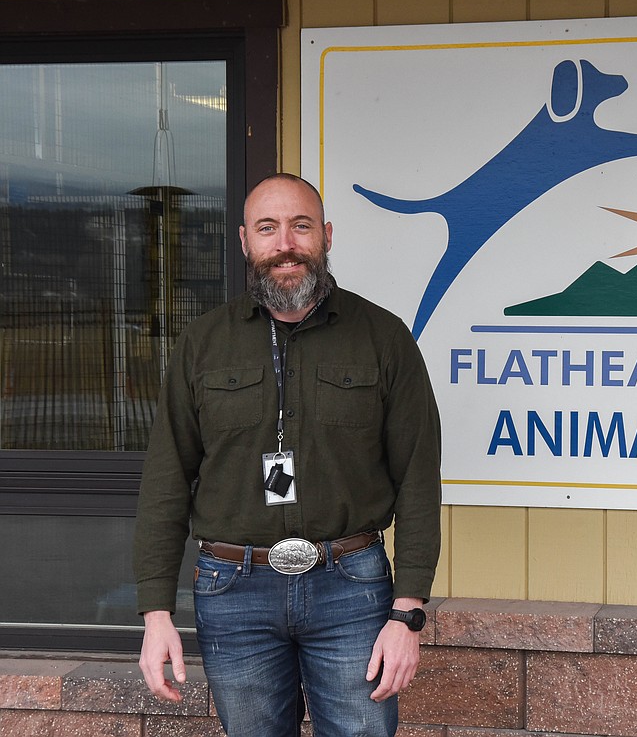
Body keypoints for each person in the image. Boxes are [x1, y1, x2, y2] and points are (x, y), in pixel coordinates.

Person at [133, 173, 442, 737]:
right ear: (246, 242)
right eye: (268, 229)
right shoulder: (203, 343)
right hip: (233, 591)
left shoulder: (383, 336)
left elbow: (419, 480)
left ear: (325, 235)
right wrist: (157, 612)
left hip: (351, 588)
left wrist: (407, 613)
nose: (286, 244)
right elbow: (166, 481)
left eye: (301, 226)